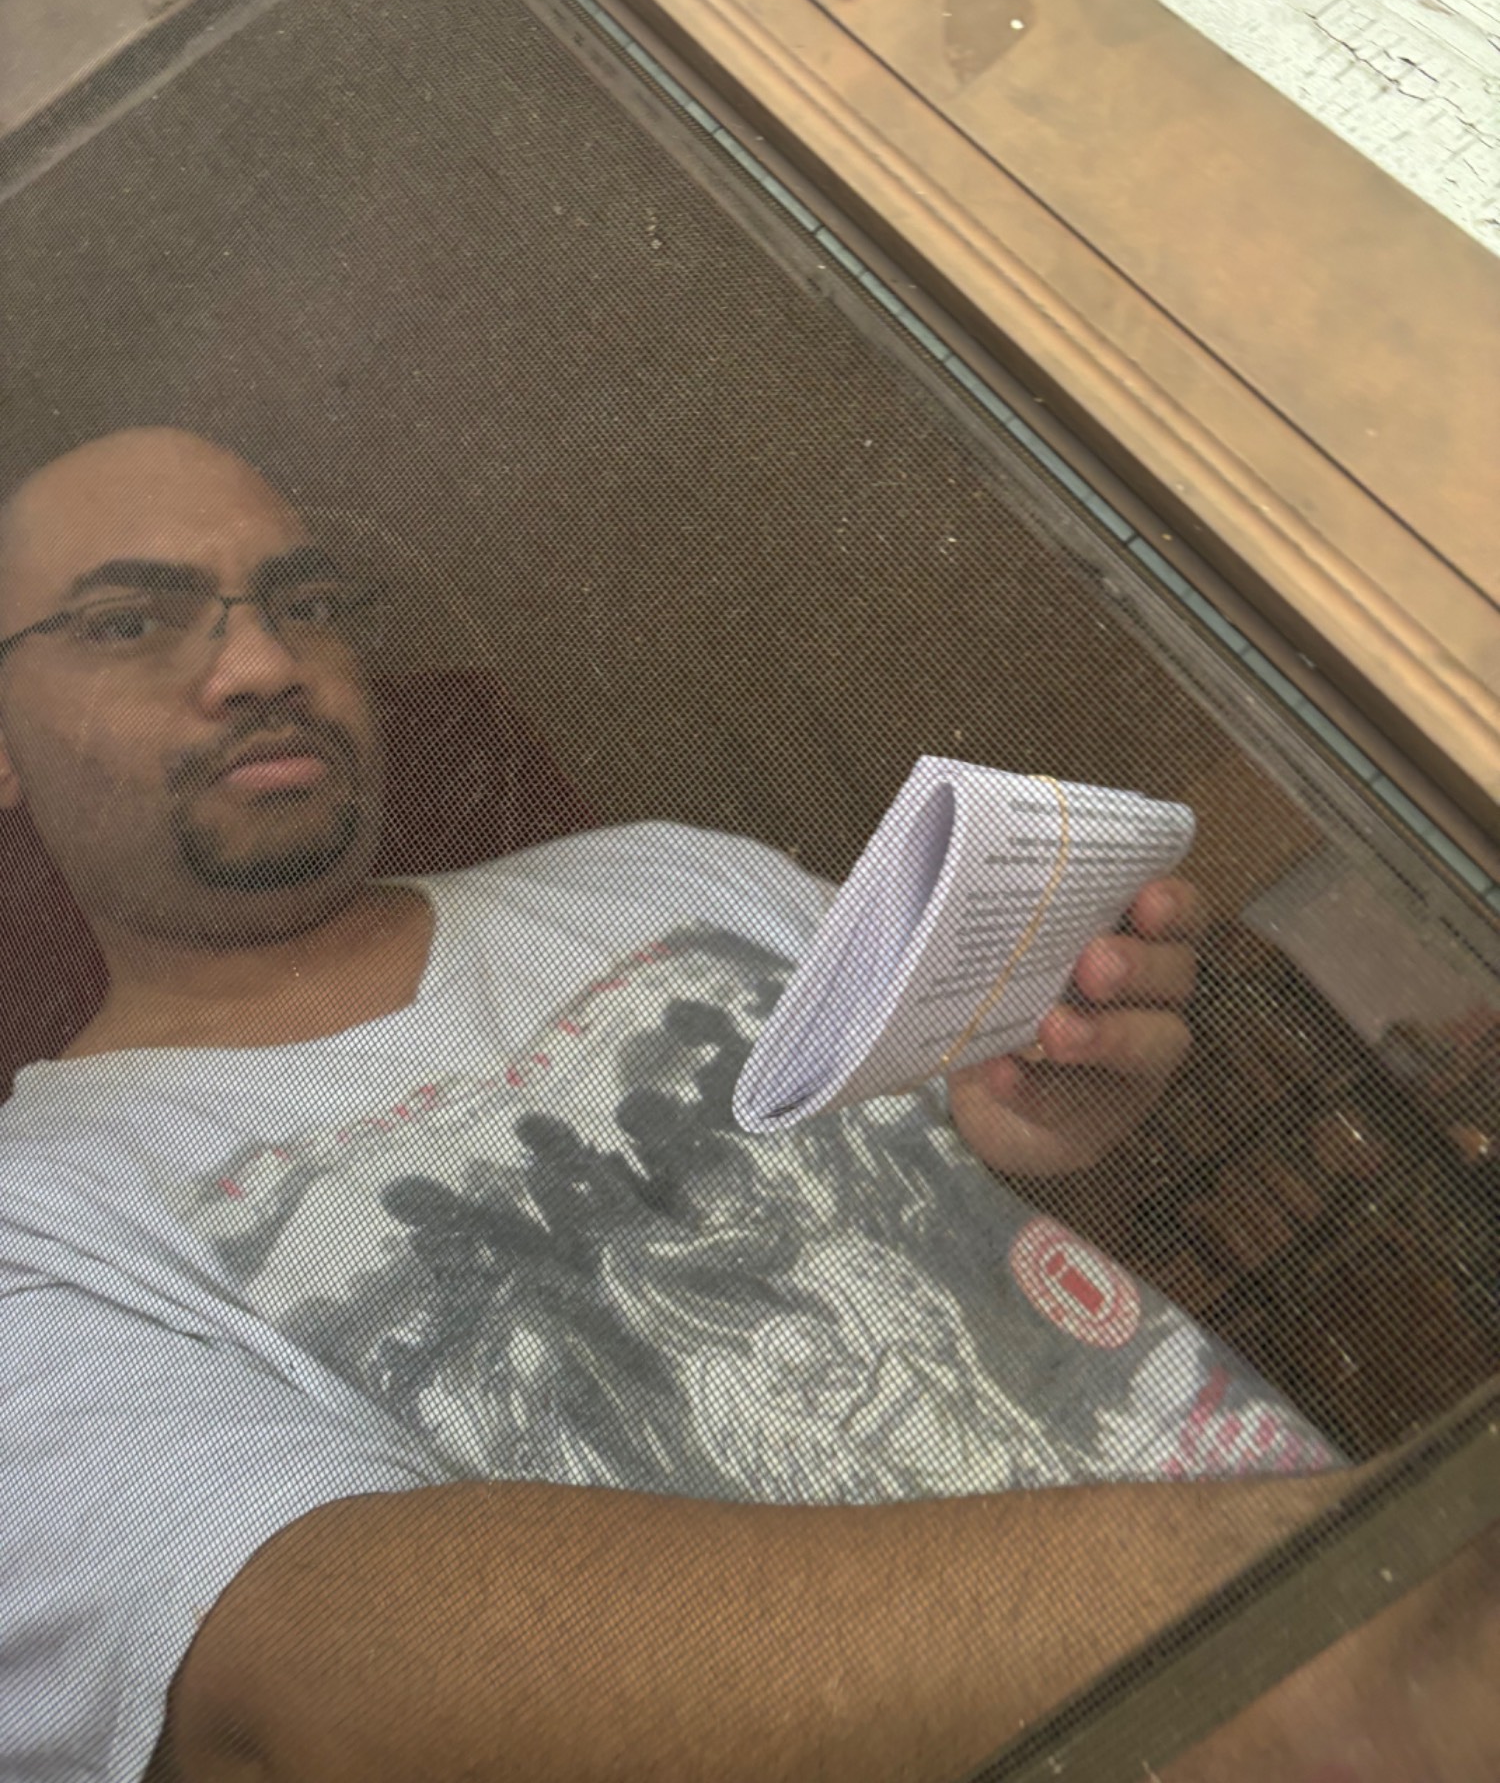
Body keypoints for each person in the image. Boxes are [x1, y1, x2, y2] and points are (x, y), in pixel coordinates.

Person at [0, 428, 1487, 1783]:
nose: (263, 662)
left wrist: (1052, 1133)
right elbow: (321, 1691)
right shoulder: (44, 1227)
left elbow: (981, 1249)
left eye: (305, 600)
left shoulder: (665, 875)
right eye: (130, 622)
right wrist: (1352, 1641)